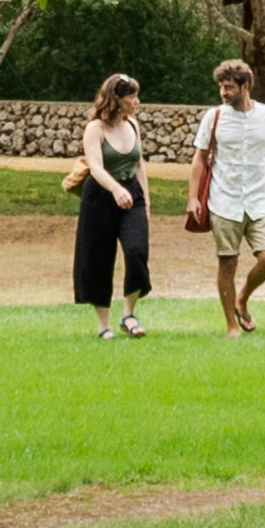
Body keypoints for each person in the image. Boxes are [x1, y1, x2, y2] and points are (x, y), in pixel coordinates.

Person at [193, 57, 265, 336]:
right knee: (228, 261)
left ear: (245, 86)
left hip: (260, 200)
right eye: (221, 87)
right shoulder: (214, 117)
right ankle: (231, 326)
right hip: (224, 200)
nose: (223, 92)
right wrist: (192, 199)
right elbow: (199, 158)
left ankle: (243, 297)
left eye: (229, 87)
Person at [74, 73, 152, 338]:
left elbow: (140, 165)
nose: (136, 101)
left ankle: (128, 314)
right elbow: (95, 166)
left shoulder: (133, 125)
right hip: (100, 195)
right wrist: (115, 189)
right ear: (116, 99)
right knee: (98, 257)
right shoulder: (95, 128)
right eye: (131, 96)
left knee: (136, 250)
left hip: (131, 192)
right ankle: (103, 326)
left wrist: (146, 203)